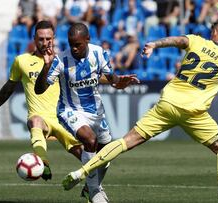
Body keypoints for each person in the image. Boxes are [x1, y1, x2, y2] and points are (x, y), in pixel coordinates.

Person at [61, 19, 218, 203]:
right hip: (193, 112)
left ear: (213, 32)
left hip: (167, 102)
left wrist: (155, 44)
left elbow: (178, 40)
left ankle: (81, 171)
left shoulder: (197, 41)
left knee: (128, 140)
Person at [34, 22, 139, 203]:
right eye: (71, 44)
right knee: (90, 140)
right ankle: (93, 190)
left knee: (106, 155)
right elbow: (39, 89)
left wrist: (119, 82)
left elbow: (110, 76)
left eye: (78, 44)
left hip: (96, 110)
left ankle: (88, 187)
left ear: (87, 40)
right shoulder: (60, 60)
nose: (74, 48)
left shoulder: (99, 53)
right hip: (69, 110)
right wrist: (46, 66)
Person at [0, 20, 83, 181]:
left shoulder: (64, 60)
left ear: (54, 38)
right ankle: (43, 163)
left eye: (48, 39)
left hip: (64, 118)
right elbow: (9, 86)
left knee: (87, 158)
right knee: (34, 121)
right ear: (34, 39)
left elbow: (83, 80)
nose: (45, 43)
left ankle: (93, 189)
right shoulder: (22, 61)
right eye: (41, 39)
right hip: (40, 117)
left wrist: (114, 80)